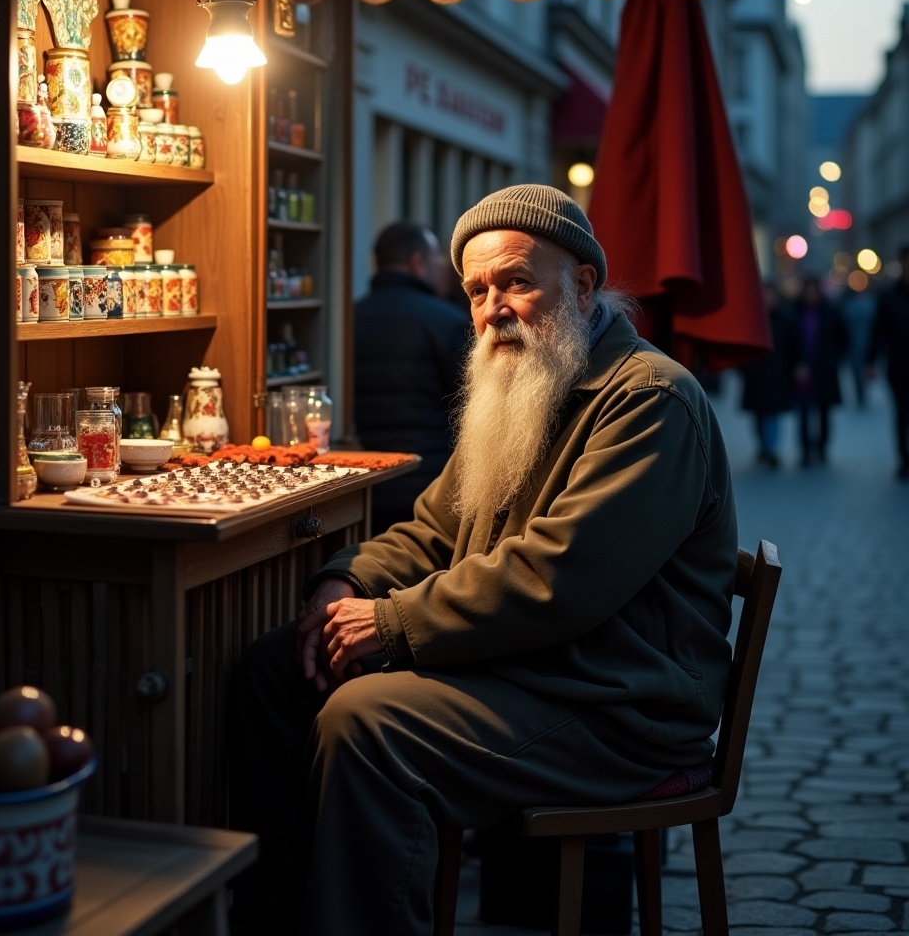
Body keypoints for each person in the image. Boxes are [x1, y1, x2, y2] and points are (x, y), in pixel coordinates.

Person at [228, 184, 738, 936]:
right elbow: (435, 530)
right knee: (274, 673)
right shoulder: (522, 381)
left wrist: (390, 622)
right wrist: (349, 578)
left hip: (616, 705)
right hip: (534, 668)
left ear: (583, 285)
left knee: (368, 724)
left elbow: (559, 579)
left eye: (517, 282)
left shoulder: (651, 400)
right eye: (476, 290)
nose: (493, 308)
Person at [353, 220, 471, 532]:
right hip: (430, 485)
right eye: (437, 259)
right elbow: (468, 408)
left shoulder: (349, 318)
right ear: (418, 262)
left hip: (363, 484)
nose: (442, 267)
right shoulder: (447, 321)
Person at [739, 281, 799, 468]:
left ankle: (771, 449)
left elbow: (794, 346)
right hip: (755, 374)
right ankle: (764, 447)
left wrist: (795, 367)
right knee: (758, 414)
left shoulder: (785, 319)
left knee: (772, 414)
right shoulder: (751, 319)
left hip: (777, 374)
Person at [792, 276, 849, 466]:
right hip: (802, 371)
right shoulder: (795, 312)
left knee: (824, 412)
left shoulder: (830, 311)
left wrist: (834, 358)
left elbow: (843, 338)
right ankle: (806, 451)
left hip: (824, 371)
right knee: (803, 413)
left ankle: (822, 448)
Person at [866, 245, 909, 478]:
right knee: (902, 413)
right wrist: (870, 362)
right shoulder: (890, 297)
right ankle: (904, 458)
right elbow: (878, 331)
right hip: (899, 366)